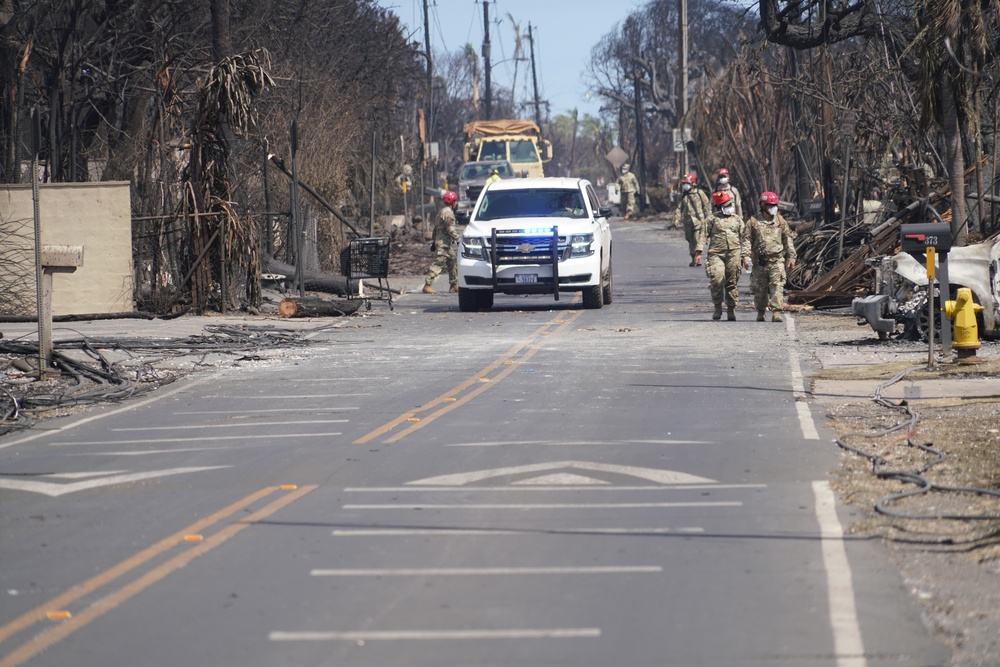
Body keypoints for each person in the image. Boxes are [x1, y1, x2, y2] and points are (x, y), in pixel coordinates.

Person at [695, 190, 750, 321]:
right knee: (717, 279)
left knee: (732, 282)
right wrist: (698, 252)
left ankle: (731, 309)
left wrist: (747, 255)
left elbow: (746, 237)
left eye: (730, 204)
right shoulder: (712, 220)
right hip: (716, 254)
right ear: (720, 207)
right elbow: (703, 235)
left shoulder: (737, 220)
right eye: (726, 205)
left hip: (734, 253)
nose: (730, 207)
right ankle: (718, 307)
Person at [747, 191, 797, 322]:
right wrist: (745, 257)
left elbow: (788, 240)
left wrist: (792, 257)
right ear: (763, 206)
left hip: (777, 260)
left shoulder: (781, 221)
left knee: (777, 286)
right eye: (770, 206)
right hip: (759, 261)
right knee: (760, 289)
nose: (773, 208)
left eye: (774, 205)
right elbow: (746, 240)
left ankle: (776, 312)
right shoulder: (753, 222)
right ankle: (761, 311)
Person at [423, 190, 461, 294]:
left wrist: (434, 241)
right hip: (443, 244)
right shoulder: (448, 213)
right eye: (455, 201)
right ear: (452, 202)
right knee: (438, 264)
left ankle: (453, 285)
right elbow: (450, 229)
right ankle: (427, 285)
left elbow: (435, 228)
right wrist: (459, 240)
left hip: (443, 243)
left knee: (452, 261)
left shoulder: (441, 211)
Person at [673, 173, 711, 267]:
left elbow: (707, 206)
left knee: (697, 238)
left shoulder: (699, 193)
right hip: (688, 222)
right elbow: (679, 208)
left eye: (687, 183)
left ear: (692, 183)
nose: (685, 185)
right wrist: (677, 219)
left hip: (699, 221)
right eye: (684, 183)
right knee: (690, 239)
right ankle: (693, 257)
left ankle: (698, 258)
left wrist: (709, 219)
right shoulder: (684, 195)